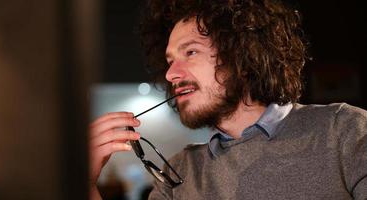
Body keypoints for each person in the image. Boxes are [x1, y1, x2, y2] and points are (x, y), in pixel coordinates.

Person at [89, 0, 367, 199]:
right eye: (169, 61)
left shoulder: (344, 130)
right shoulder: (179, 171)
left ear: (243, 56)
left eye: (191, 52)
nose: (172, 73)